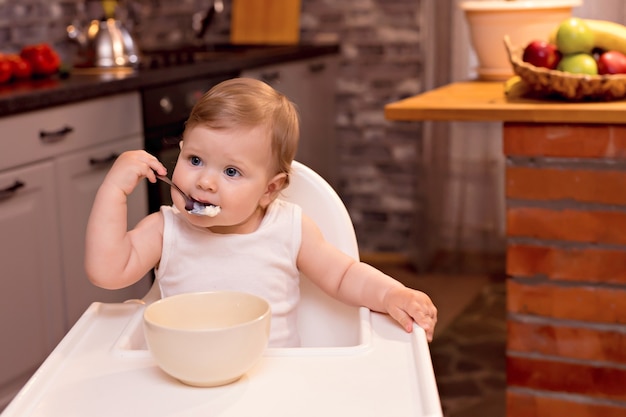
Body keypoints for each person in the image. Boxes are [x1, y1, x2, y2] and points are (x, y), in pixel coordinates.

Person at [85, 77, 437, 347]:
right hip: (184, 378)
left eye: (231, 171)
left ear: (269, 189)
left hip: (273, 383)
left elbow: (344, 276)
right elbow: (107, 271)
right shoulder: (165, 230)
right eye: (195, 160)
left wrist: (392, 295)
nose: (205, 181)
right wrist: (113, 190)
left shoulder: (288, 229)